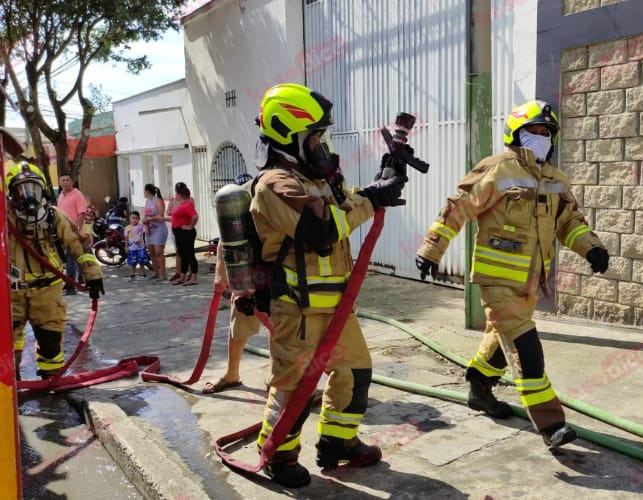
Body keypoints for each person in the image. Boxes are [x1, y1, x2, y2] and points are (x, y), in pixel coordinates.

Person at [415, 99, 609, 448]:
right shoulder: (498, 169)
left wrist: (591, 247)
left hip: (531, 281)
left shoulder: (556, 180)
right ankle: (551, 426)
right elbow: (459, 207)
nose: (541, 137)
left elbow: (570, 222)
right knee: (526, 347)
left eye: (546, 132)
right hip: (497, 278)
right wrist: (432, 249)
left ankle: (478, 384)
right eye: (533, 131)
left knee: (501, 340)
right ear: (516, 134)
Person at [247, 83, 406, 487]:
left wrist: (385, 179)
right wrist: (371, 198)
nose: (321, 144)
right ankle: (279, 456)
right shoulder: (274, 185)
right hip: (297, 311)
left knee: (355, 373)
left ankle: (338, 442)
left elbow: (346, 204)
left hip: (337, 307)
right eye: (314, 136)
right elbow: (320, 230)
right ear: (289, 135)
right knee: (293, 390)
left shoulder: (318, 179)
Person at [6, 161, 105, 379]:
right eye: (22, 190)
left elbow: (79, 247)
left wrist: (93, 274)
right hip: (11, 292)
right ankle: (12, 385)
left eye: (33, 188)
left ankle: (51, 385)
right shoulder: (6, 218)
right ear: (12, 194)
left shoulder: (53, 217)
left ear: (42, 189)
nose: (28, 195)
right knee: (7, 343)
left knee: (50, 340)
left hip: (47, 290)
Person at [203, 172, 259, 394]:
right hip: (245, 278)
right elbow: (224, 242)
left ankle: (276, 376)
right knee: (238, 328)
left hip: (272, 275)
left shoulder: (268, 202)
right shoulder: (235, 215)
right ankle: (232, 374)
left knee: (280, 330)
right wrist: (220, 274)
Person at [56, 172, 87, 295]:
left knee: (71, 258)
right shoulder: (61, 195)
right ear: (59, 182)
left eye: (67, 180)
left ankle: (70, 286)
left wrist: (77, 229)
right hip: (63, 232)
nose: (65, 182)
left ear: (72, 182)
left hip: (74, 232)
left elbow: (82, 213)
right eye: (62, 180)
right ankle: (80, 281)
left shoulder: (77, 194)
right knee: (74, 258)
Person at [168, 185, 199, 285]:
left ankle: (193, 278)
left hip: (186, 233)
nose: (175, 195)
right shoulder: (181, 204)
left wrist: (190, 226)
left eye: (176, 193)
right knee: (183, 255)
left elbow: (195, 216)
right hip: (179, 233)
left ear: (180, 195)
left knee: (189, 254)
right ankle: (182, 277)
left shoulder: (187, 204)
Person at [142, 184, 168, 281]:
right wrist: (146, 225)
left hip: (159, 230)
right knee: (152, 253)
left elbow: (161, 216)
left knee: (159, 252)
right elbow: (145, 216)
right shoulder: (147, 201)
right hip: (150, 230)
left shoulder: (158, 200)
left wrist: (150, 218)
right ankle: (156, 273)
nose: (144, 193)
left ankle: (163, 274)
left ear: (148, 191)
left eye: (144, 191)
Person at [125, 211, 149, 280]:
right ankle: (132, 274)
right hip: (132, 248)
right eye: (132, 218)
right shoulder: (128, 228)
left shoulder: (141, 226)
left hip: (140, 248)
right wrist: (126, 247)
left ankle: (143, 274)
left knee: (142, 261)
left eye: (136, 218)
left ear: (139, 219)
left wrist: (146, 225)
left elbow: (147, 232)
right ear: (129, 218)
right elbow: (126, 238)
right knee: (133, 262)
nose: (134, 220)